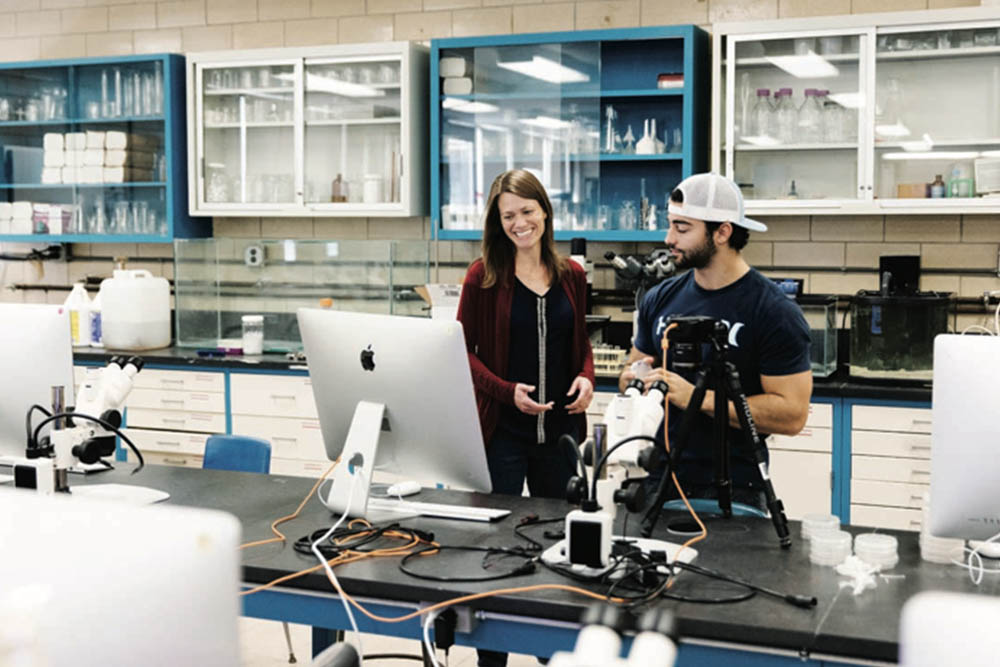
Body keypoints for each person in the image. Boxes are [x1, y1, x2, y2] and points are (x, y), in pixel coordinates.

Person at [618, 172, 812, 512]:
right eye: (670, 225)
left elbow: (791, 415)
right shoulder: (659, 300)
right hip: (656, 479)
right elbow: (633, 368)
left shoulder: (772, 310)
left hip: (734, 487)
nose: (668, 238)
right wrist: (634, 381)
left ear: (722, 232)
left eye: (682, 228)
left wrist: (697, 398)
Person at [457, 168, 595, 500]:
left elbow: (580, 342)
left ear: (545, 210)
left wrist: (587, 376)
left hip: (561, 433)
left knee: (558, 533)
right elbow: (460, 353)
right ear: (498, 222)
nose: (520, 223)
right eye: (508, 216)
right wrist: (506, 391)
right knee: (494, 537)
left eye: (527, 211)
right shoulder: (483, 276)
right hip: (501, 433)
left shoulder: (572, 274)